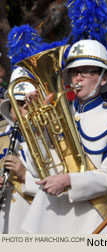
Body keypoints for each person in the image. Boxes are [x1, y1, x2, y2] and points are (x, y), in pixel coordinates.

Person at [21, 39, 107, 233]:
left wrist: (69, 181)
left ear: (103, 78)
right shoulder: (54, 114)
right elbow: (36, 169)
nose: (78, 78)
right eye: (74, 72)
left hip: (87, 218)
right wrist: (36, 128)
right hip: (46, 214)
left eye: (87, 71)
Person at [0, 67, 39, 233]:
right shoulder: (2, 135)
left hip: (32, 220)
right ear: (9, 107)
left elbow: (60, 190)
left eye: (28, 103)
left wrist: (24, 175)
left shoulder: (50, 140)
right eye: (19, 104)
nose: (23, 109)